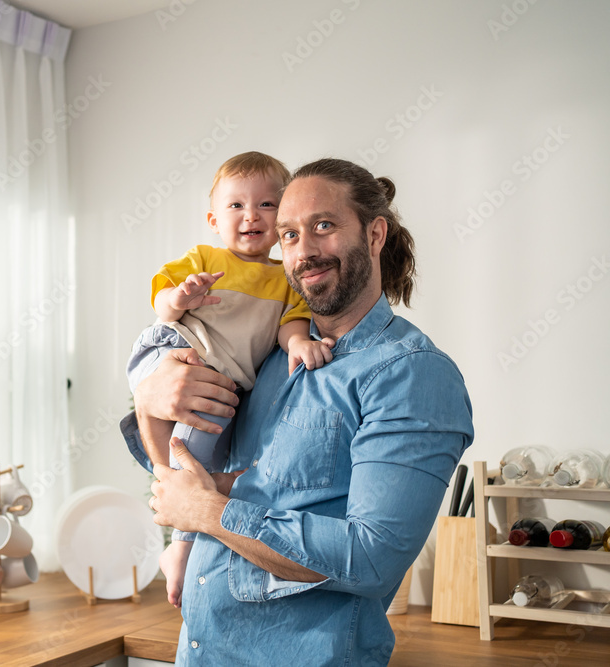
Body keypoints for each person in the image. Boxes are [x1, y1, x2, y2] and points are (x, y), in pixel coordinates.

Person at [122, 157, 474, 665]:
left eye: (323, 227)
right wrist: (148, 391)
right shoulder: (267, 357)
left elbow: (373, 557)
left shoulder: (412, 374)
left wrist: (211, 512)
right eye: (287, 234)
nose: (304, 251)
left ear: (375, 234)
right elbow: (202, 471)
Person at [126, 151, 333, 607]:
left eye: (266, 205)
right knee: (161, 421)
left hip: (224, 379)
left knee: (195, 454)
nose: (251, 216)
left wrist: (298, 344)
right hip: (172, 347)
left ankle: (177, 543)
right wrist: (182, 296)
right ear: (214, 218)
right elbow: (162, 303)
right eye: (236, 206)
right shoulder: (205, 256)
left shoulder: (286, 280)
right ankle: (173, 519)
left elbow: (292, 325)